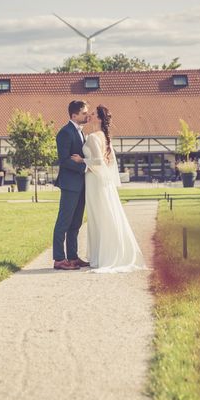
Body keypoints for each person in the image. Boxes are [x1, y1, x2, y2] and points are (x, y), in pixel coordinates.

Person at [71, 105, 147, 273]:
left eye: (92, 114)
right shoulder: (104, 136)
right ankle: (105, 254)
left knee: (98, 217)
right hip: (101, 181)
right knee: (104, 215)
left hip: (95, 180)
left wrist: (81, 160)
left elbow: (98, 161)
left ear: (99, 118)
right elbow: (109, 162)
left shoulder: (92, 137)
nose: (89, 115)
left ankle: (102, 257)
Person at [52, 100, 91, 270]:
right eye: (84, 113)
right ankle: (59, 259)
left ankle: (73, 257)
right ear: (74, 115)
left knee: (76, 223)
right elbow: (64, 160)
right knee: (64, 222)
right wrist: (84, 167)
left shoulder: (81, 132)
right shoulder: (65, 133)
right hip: (70, 184)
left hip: (81, 185)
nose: (87, 115)